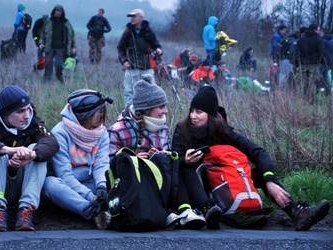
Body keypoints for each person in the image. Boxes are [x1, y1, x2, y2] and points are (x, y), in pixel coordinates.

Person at [172, 85, 331, 230]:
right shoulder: (182, 129)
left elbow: (257, 152)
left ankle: (296, 212)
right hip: (198, 186)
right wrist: (184, 160)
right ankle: (208, 209)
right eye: (192, 111)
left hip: (225, 181)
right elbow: (173, 160)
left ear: (212, 115)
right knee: (186, 167)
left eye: (199, 112)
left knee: (262, 174)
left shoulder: (224, 132)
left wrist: (269, 179)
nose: (193, 116)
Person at [108, 74, 206, 229]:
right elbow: (110, 165)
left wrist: (161, 155)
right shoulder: (118, 130)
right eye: (161, 107)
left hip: (161, 182)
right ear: (147, 109)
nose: (166, 111)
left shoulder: (163, 128)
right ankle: (164, 212)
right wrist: (133, 159)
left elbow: (169, 156)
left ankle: (185, 210)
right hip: (134, 188)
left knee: (171, 161)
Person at [0, 85, 59, 232]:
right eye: (20, 111)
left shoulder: (34, 122)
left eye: (28, 109)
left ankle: (26, 209)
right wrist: (9, 150)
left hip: (20, 183)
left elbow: (52, 142)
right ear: (5, 113)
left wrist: (32, 155)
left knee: (37, 149)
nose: (27, 116)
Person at [42, 89, 113, 230]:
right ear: (85, 114)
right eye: (99, 112)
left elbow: (101, 164)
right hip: (68, 188)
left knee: (117, 178)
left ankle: (107, 209)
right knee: (48, 183)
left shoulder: (102, 132)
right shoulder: (60, 133)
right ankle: (91, 211)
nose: (103, 116)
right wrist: (90, 197)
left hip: (92, 183)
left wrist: (101, 187)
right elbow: (64, 175)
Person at [117, 8, 162, 108]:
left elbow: (156, 45)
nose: (132, 19)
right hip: (131, 67)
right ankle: (129, 114)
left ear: (141, 18)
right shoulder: (128, 32)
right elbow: (120, 48)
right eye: (131, 17)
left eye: (134, 16)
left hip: (146, 68)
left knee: (151, 91)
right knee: (129, 92)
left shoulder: (148, 32)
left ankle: (150, 112)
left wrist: (159, 50)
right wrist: (124, 61)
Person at [39, 4, 76, 84]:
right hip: (49, 47)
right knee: (48, 64)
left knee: (59, 64)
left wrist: (73, 47)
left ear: (62, 12)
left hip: (61, 47)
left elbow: (72, 35)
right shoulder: (49, 21)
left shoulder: (66, 22)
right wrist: (41, 43)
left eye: (59, 11)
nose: (58, 12)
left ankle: (60, 78)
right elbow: (42, 33)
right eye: (56, 10)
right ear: (54, 11)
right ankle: (47, 80)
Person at [296, 23, 331, 102]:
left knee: (303, 82)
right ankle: (311, 100)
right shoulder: (317, 39)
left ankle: (303, 99)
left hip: (303, 64)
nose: (319, 31)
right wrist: (322, 61)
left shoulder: (301, 40)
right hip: (314, 64)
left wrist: (297, 64)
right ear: (314, 29)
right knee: (312, 81)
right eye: (318, 30)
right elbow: (322, 52)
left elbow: (296, 52)